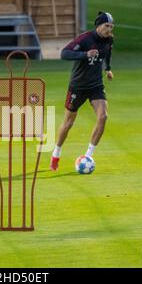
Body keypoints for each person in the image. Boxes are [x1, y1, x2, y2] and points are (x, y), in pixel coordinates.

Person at [50, 11, 115, 171]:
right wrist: (84, 54)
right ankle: (56, 153)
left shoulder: (109, 39)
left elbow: (108, 52)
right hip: (77, 86)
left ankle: (88, 156)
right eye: (107, 26)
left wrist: (108, 69)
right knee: (68, 123)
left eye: (111, 26)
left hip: (95, 86)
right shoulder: (85, 38)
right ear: (99, 25)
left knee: (103, 117)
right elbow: (64, 53)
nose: (109, 29)